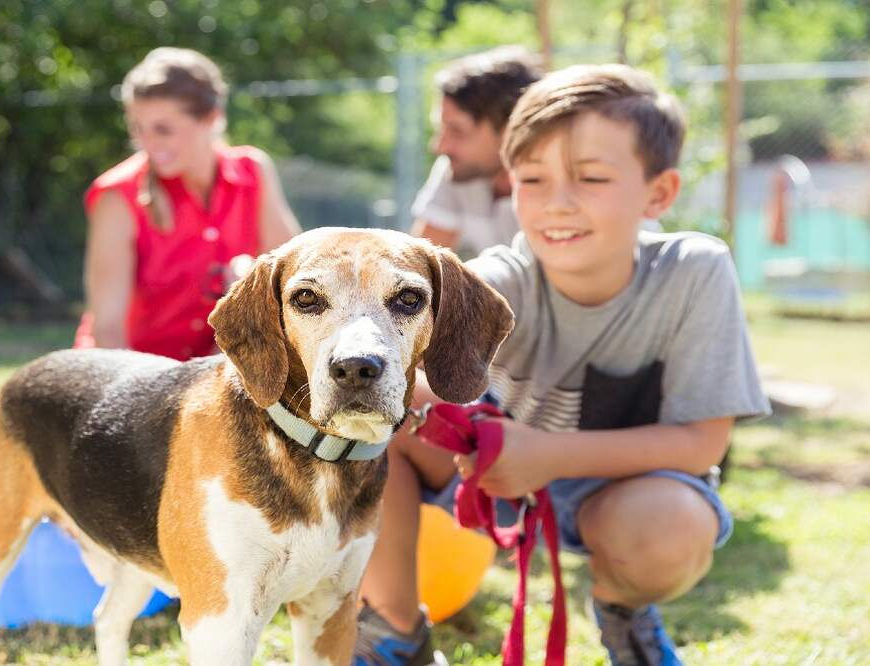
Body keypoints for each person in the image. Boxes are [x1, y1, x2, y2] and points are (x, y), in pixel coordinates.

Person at [353, 65, 771, 666]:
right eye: (532, 178)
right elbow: (406, 378)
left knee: (672, 530)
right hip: (491, 477)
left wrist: (547, 456)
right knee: (372, 416)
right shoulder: (495, 280)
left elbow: (703, 444)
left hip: (624, 492)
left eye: (592, 177)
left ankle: (621, 609)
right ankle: (395, 626)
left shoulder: (694, 270)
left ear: (659, 193)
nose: (557, 204)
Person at [75, 47, 301, 357]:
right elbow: (107, 331)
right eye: (137, 128)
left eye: (163, 130)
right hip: (131, 375)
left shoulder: (253, 172)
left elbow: (294, 280)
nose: (147, 144)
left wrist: (250, 278)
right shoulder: (118, 196)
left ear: (212, 117)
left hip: (212, 371)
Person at [410, 47, 542, 257]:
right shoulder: (456, 170)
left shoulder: (556, 186)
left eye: (457, 131)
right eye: (441, 129)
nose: (439, 147)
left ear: (512, 130)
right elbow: (420, 264)